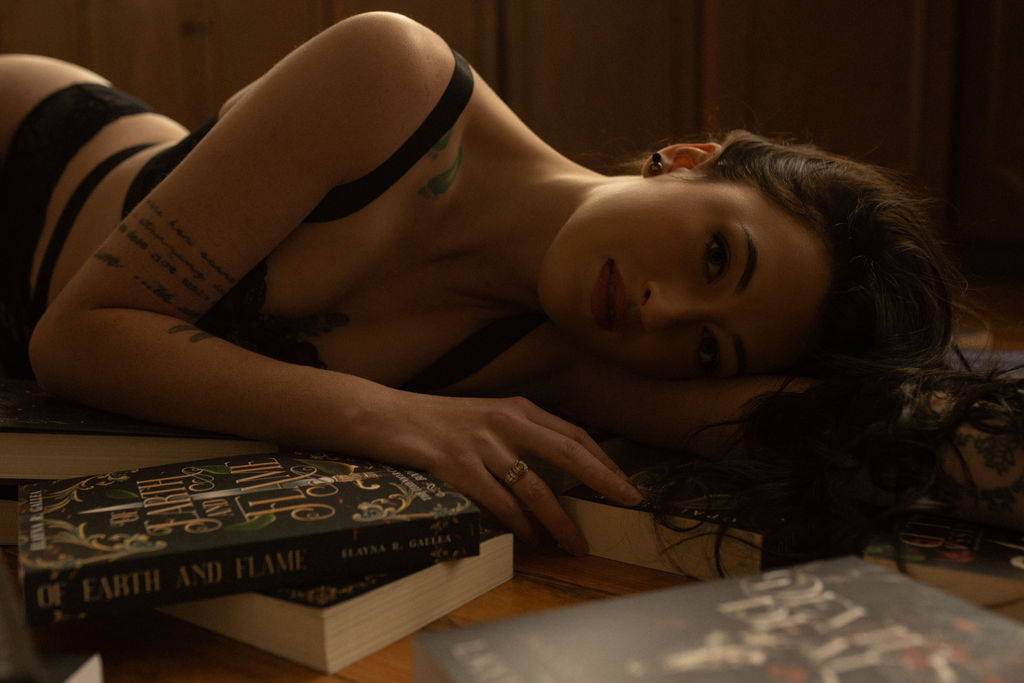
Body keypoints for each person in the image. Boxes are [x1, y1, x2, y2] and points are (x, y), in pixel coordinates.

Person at [1, 12, 1020, 561]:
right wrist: (395, 417)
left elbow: (859, 421)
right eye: (717, 255)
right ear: (688, 156)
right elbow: (78, 337)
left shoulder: (572, 357)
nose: (665, 312)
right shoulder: (390, 77)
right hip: (28, 158)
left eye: (707, 347)